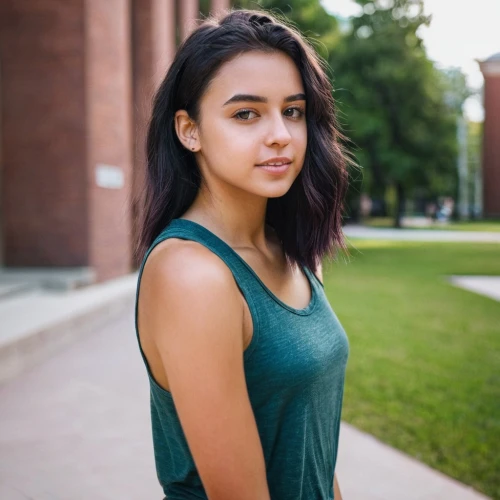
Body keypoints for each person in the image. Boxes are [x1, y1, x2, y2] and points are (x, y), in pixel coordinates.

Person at [134, 8, 351, 500]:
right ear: (189, 130)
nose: (280, 134)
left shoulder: (291, 252)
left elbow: (311, 451)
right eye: (246, 113)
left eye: (292, 110)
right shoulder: (192, 275)